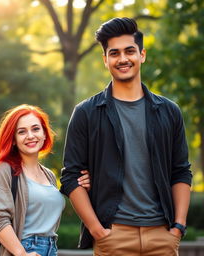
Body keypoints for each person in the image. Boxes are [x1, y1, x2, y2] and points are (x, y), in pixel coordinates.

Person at [60, 17, 192, 256]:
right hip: (113, 236)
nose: (122, 59)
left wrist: (178, 227)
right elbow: (70, 177)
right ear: (105, 59)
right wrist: (96, 229)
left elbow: (180, 170)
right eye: (114, 53)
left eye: (129, 51)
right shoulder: (86, 113)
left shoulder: (169, 111)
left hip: (162, 235)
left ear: (142, 55)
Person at [0, 104, 90, 256]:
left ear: (44, 134)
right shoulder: (4, 169)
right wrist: (21, 253)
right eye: (22, 132)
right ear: (14, 139)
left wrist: (85, 187)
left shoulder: (48, 175)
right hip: (21, 249)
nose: (30, 136)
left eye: (35, 129)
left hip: (50, 248)